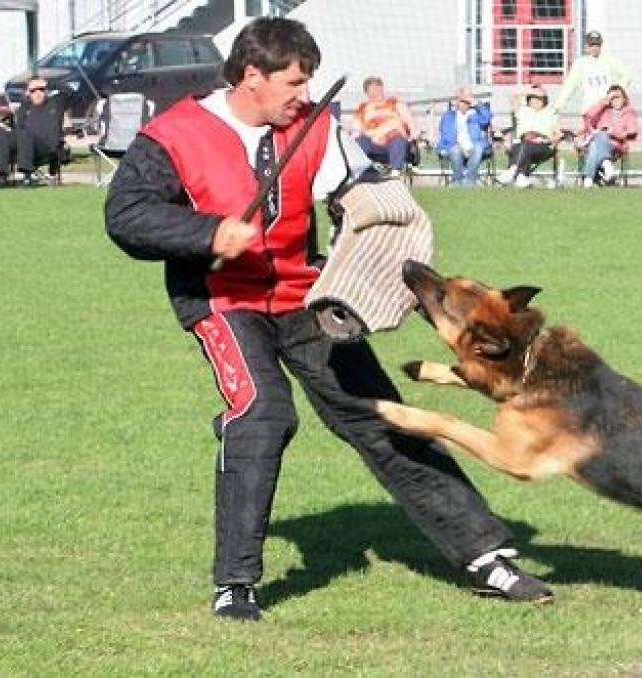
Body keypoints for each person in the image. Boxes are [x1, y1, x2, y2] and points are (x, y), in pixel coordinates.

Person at [104, 17, 553, 622]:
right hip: (222, 301)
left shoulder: (315, 129)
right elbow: (126, 216)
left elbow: (363, 191)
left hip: (305, 297)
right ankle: (235, 583)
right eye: (293, 82)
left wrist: (374, 229)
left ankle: (485, 556)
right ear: (251, 77)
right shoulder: (173, 134)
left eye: (309, 82)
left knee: (384, 415)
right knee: (262, 414)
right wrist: (209, 231)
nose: (303, 96)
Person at [0, 77, 66, 187]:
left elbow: (70, 90)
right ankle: (0, 176)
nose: (37, 93)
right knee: (3, 134)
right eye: (33, 91)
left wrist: (49, 83)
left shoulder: (56, 103)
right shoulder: (25, 107)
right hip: (25, 146)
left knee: (25, 134)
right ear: (28, 93)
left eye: (41, 89)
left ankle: (27, 175)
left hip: (47, 147)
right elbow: (18, 128)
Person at [496, 85, 560, 188]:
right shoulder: (522, 110)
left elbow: (558, 134)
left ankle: (512, 170)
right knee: (521, 145)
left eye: (539, 98)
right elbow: (512, 95)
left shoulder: (550, 112)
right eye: (533, 98)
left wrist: (549, 140)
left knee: (523, 146)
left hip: (542, 144)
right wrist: (530, 90)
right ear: (528, 99)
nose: (536, 100)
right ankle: (521, 176)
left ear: (544, 99)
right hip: (522, 141)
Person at [352, 75, 417, 177]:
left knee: (398, 140)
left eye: (377, 88)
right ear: (367, 92)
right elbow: (356, 129)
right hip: (372, 140)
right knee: (359, 143)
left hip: (393, 138)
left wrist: (413, 134)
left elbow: (409, 122)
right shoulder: (362, 108)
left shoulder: (395, 103)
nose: (375, 91)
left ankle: (395, 172)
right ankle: (359, 172)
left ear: (382, 88)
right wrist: (372, 136)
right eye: (371, 89)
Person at [554, 31, 629, 115]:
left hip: (607, 107)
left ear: (601, 46)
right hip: (589, 107)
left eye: (597, 45)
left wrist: (616, 90)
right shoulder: (580, 63)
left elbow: (626, 75)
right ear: (587, 46)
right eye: (591, 45)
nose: (594, 48)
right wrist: (559, 104)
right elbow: (570, 85)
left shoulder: (610, 61)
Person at [576, 84, 637, 187]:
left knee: (599, 140)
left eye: (618, 97)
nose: (615, 100)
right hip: (597, 142)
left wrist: (613, 133)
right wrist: (603, 102)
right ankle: (606, 165)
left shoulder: (628, 113)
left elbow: (632, 132)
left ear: (624, 98)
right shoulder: (603, 111)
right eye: (612, 98)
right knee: (596, 142)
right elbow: (588, 116)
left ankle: (588, 178)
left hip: (615, 145)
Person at [435, 87, 491, 186]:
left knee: (478, 149)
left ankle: (470, 181)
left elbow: (486, 119)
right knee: (455, 149)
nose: (465, 104)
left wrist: (478, 104)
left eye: (467, 101)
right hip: (454, 145)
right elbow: (446, 135)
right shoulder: (449, 116)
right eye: (462, 101)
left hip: (473, 145)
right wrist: (458, 145)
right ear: (456, 101)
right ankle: (457, 181)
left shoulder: (476, 115)